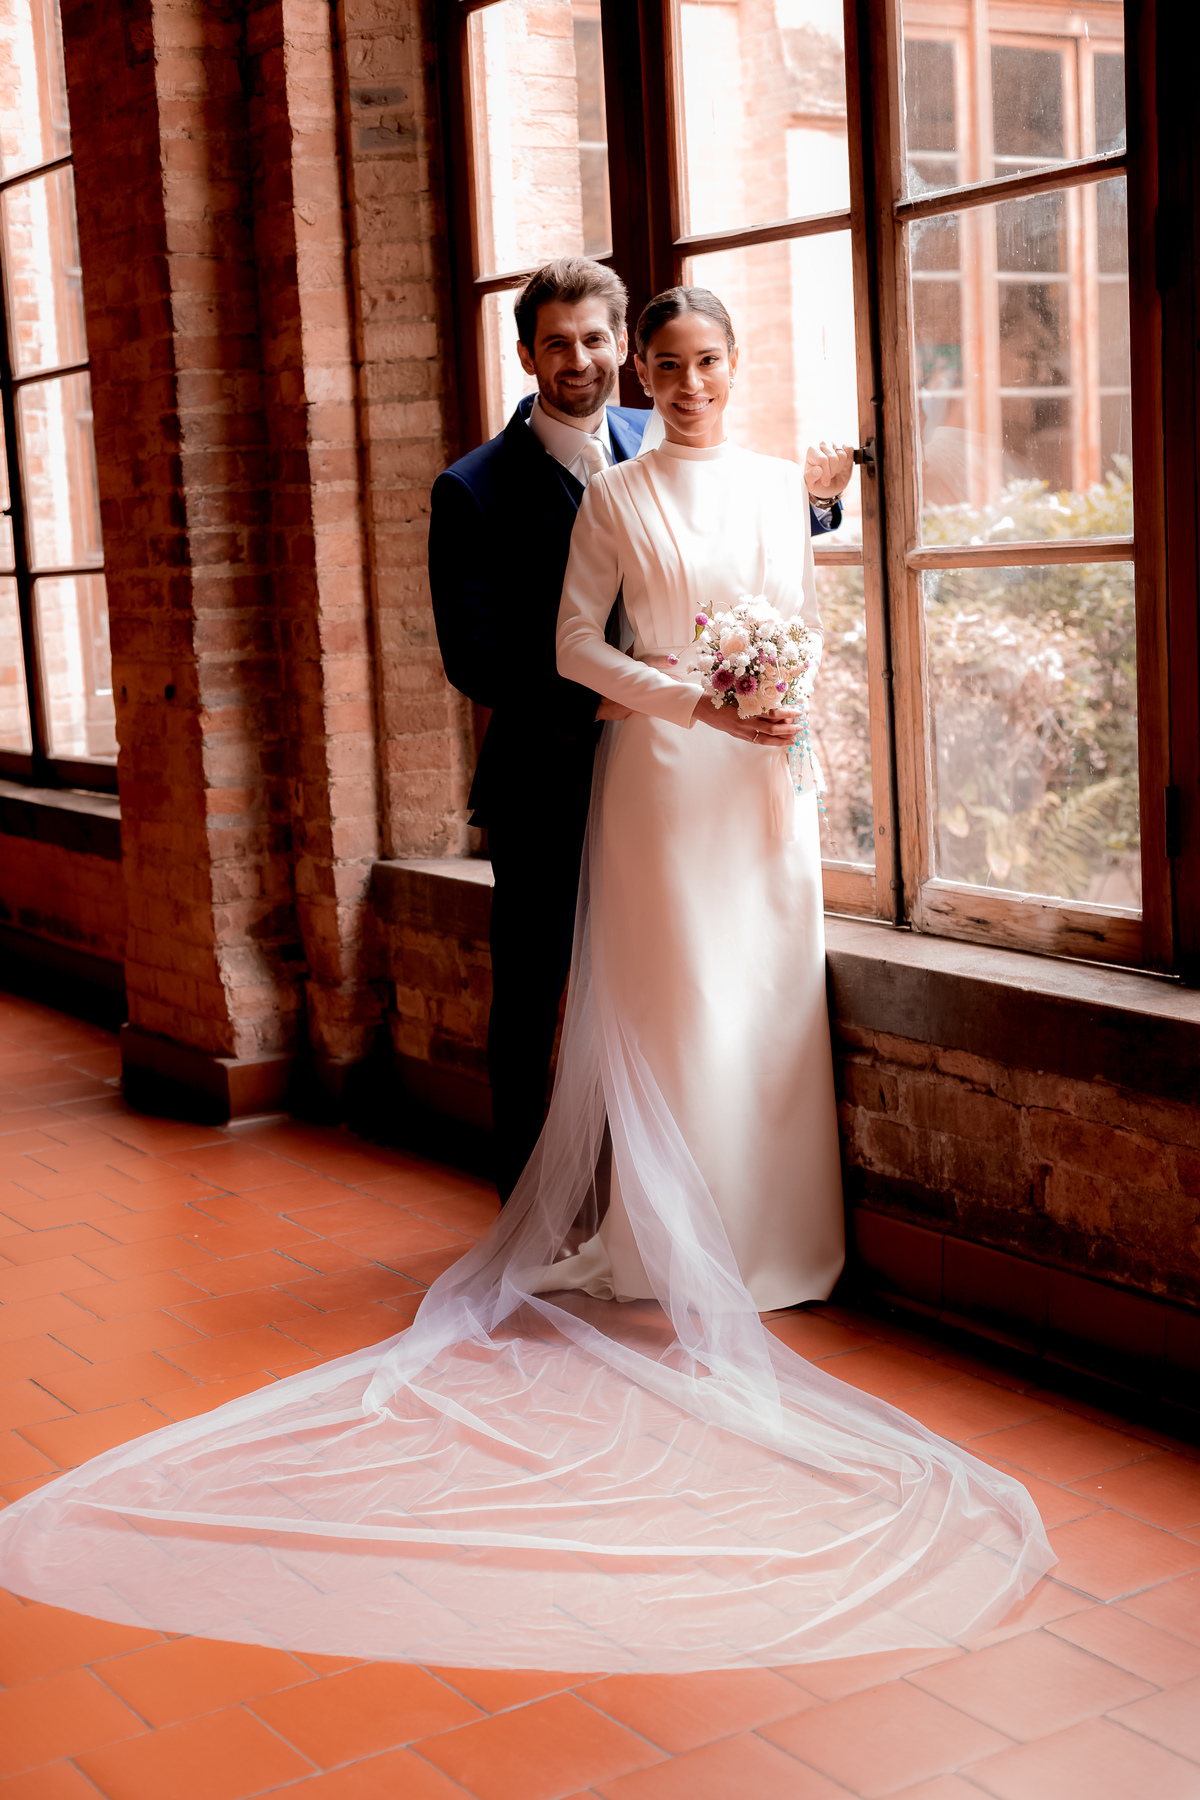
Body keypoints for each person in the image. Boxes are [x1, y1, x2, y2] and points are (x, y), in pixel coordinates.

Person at [0, 289, 1053, 1677]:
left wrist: (794, 609)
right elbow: (511, 655)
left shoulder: (689, 447)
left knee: (754, 1012)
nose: (630, 371)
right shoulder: (494, 488)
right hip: (610, 775)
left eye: (665, 355)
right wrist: (690, 700)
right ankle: (564, 1217)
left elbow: (761, 564)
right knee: (582, 1005)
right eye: (603, 350)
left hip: (752, 783)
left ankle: (765, 1234)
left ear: (694, 365)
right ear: (533, 356)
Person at [429, 256, 850, 1199]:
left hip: (680, 769)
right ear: (528, 353)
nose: (577, 358)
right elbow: (476, 658)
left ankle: (679, 1198)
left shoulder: (658, 425)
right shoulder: (473, 489)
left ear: (624, 349)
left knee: (672, 979)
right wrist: (605, 698)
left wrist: (818, 506)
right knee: (536, 997)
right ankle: (531, 1204)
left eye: (593, 340)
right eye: (555, 343)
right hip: (550, 769)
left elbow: (723, 559)